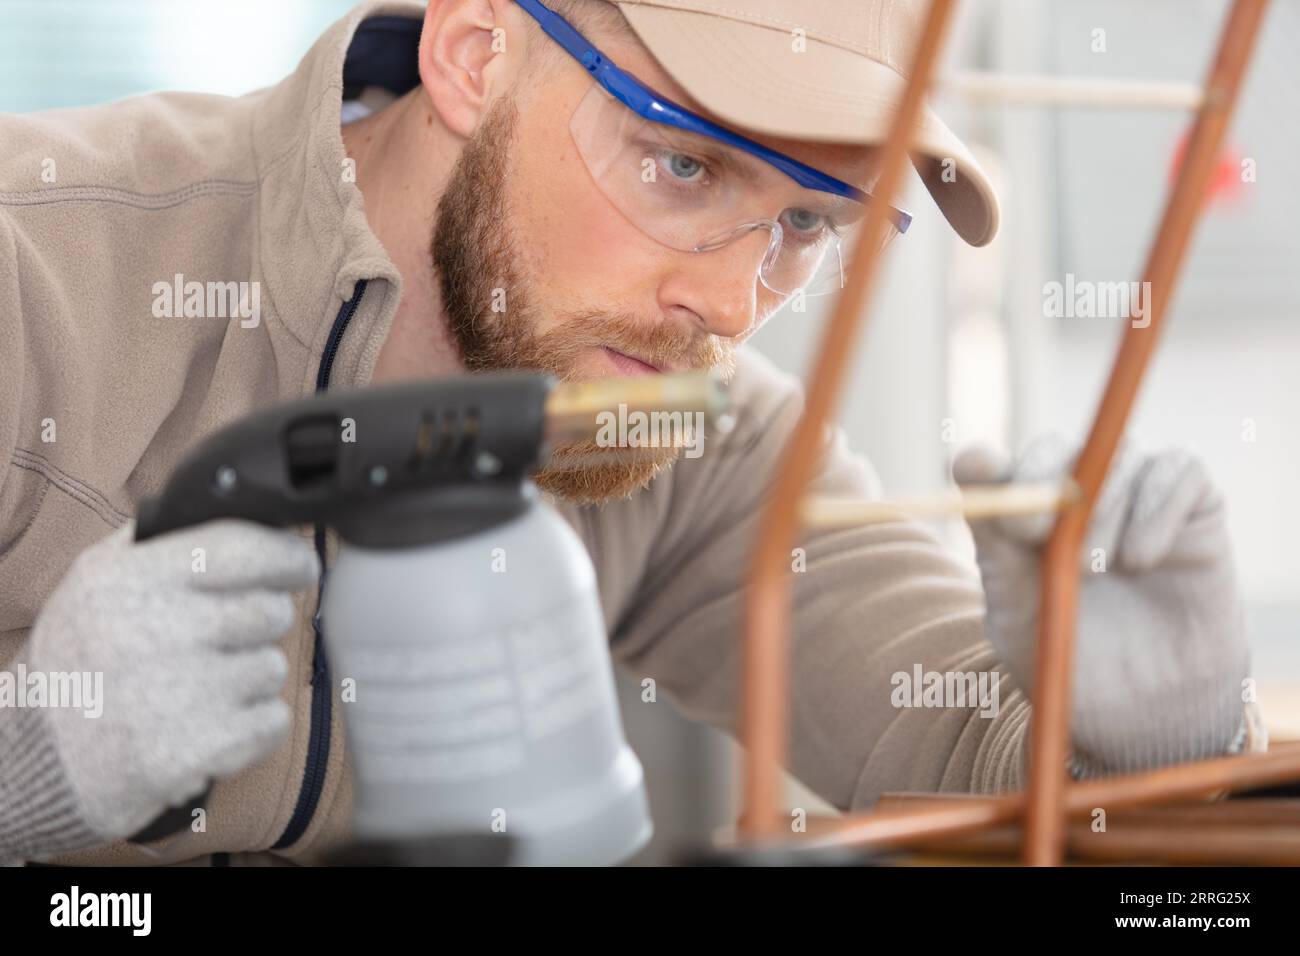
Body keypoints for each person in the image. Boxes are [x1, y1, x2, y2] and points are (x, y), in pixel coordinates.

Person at [0, 0, 1260, 866]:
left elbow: (969, 772)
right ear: (476, 50)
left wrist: (1150, 740)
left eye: (808, 226)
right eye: (684, 169)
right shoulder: (32, 270)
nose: (728, 306)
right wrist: (31, 754)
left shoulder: (689, 426)